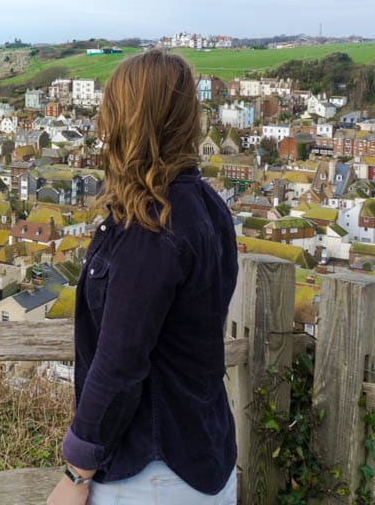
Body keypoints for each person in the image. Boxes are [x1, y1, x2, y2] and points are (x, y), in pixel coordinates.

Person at [47, 49, 239, 505]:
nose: (101, 123)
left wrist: (75, 473)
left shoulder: (152, 227)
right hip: (205, 454)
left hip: (151, 472)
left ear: (132, 119)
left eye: (109, 109)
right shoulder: (208, 207)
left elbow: (119, 364)